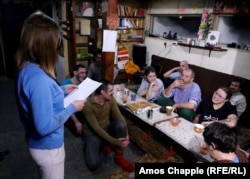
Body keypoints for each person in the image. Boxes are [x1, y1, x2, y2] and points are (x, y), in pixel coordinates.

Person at [14, 11, 86, 179]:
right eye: (54, 43)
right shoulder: (38, 78)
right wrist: (71, 108)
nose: (56, 47)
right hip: (48, 148)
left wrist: (60, 90)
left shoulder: (27, 67)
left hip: (37, 145)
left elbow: (36, 97)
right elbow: (44, 127)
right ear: (44, 44)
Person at [82, 80, 134, 172]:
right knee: (93, 164)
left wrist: (127, 134)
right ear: (102, 92)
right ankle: (106, 147)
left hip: (107, 128)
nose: (113, 92)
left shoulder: (110, 99)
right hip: (93, 134)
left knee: (121, 124)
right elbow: (96, 128)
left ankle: (119, 157)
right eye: (110, 90)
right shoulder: (88, 105)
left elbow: (120, 117)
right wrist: (115, 142)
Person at [61, 64, 87, 136]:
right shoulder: (66, 84)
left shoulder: (83, 83)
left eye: (85, 73)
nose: (84, 75)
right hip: (69, 111)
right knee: (77, 132)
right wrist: (76, 122)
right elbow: (65, 105)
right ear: (75, 73)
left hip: (80, 108)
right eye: (81, 73)